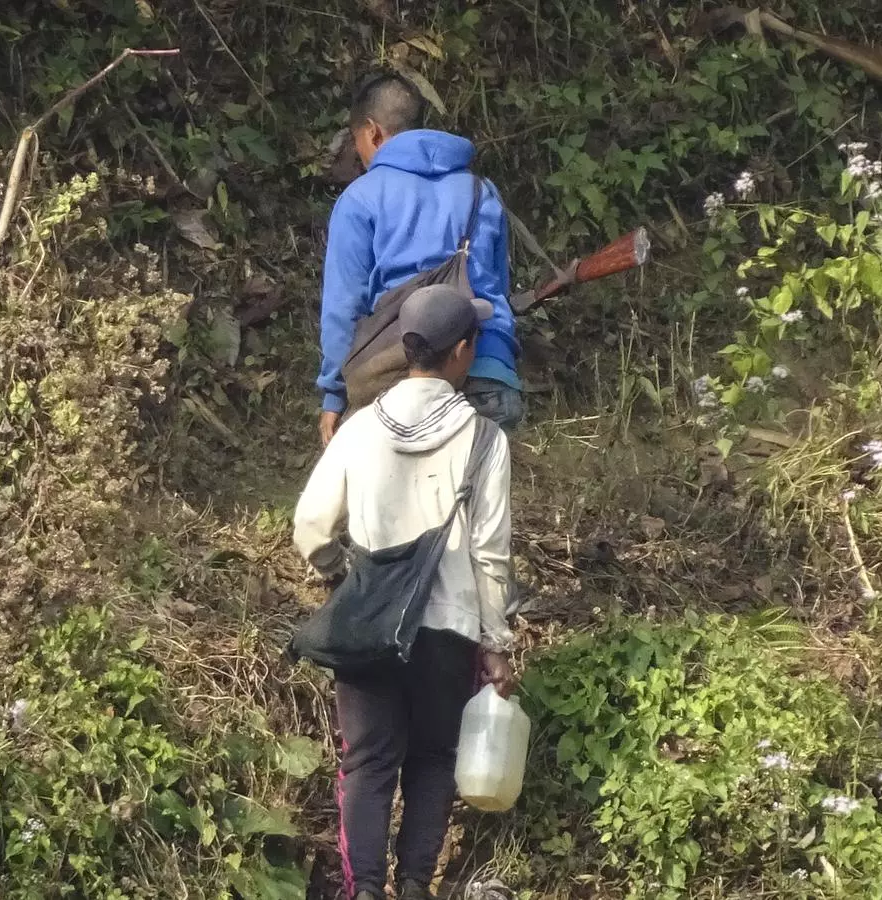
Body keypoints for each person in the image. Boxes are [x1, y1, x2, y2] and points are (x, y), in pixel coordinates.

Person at [293, 284, 517, 900]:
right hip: (448, 628)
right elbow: (490, 554)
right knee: (433, 759)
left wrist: (344, 574)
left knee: (366, 763)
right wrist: (496, 643)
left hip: (369, 625)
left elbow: (309, 526)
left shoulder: (360, 429)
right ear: (462, 352)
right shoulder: (485, 441)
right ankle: (415, 885)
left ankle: (364, 890)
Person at [317, 71, 523, 447]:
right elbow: (496, 293)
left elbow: (343, 309)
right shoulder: (482, 192)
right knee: (475, 503)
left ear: (373, 132)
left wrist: (334, 394)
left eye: (357, 142)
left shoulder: (360, 199)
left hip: (401, 382)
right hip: (488, 375)